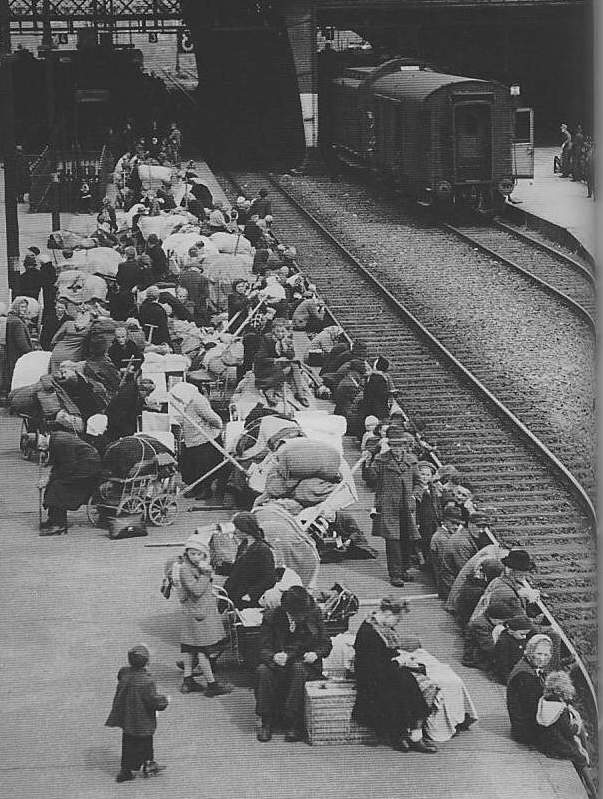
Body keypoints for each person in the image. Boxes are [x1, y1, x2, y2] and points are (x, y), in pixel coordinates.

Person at [354, 597, 437, 753]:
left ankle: (408, 734)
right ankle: (409, 734)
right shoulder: (368, 633)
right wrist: (400, 661)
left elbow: (385, 656)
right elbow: (374, 667)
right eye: (397, 619)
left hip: (382, 670)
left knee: (409, 680)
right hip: (371, 677)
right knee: (404, 684)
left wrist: (400, 660)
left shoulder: (378, 627)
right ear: (387, 613)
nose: (398, 623)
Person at [255, 586, 332, 742]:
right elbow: (262, 647)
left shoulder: (314, 614)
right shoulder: (272, 617)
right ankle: (267, 721)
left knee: (298, 670)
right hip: (280, 661)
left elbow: (326, 643)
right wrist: (273, 656)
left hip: (302, 661)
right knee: (263, 671)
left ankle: (293, 721)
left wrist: (316, 654)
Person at [170, 533, 231, 696]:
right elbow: (196, 590)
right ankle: (212, 684)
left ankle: (187, 680)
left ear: (205, 554)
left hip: (194, 612)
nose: (195, 557)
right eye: (192, 553)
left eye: (199, 554)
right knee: (203, 650)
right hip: (199, 614)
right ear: (187, 553)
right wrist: (206, 574)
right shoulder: (186, 569)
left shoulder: (194, 567)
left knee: (190, 648)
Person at [365, 427, 421, 587]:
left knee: (407, 539)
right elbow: (371, 478)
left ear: (404, 446)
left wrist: (415, 496)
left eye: (400, 446)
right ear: (390, 446)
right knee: (393, 541)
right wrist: (368, 463)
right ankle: (395, 574)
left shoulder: (411, 460)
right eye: (394, 446)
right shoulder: (381, 460)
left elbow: (419, 482)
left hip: (407, 506)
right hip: (388, 506)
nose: (397, 449)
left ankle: (404, 569)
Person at [105, 644, 168, 783]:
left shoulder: (124, 672)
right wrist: (164, 701)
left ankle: (125, 771)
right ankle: (148, 764)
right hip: (143, 719)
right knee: (146, 742)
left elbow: (121, 677)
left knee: (128, 743)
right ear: (147, 662)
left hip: (127, 717)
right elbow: (152, 700)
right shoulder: (147, 681)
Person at [169, 381, 226, 501]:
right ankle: (195, 487)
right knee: (190, 467)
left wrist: (217, 428)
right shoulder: (187, 401)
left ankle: (206, 490)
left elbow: (214, 418)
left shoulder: (198, 401)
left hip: (204, 439)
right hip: (192, 439)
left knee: (204, 467)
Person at [37, 430, 102, 535]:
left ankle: (59, 525)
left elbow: (68, 465)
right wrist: (49, 477)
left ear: (44, 436)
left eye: (40, 445)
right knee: (54, 483)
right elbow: (60, 463)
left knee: (58, 486)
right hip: (81, 464)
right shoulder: (54, 439)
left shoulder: (59, 442)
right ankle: (53, 519)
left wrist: (49, 479)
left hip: (88, 466)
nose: (41, 448)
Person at [536, 671, 591, 771]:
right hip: (557, 744)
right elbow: (568, 731)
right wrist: (576, 725)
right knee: (580, 757)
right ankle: (587, 779)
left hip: (546, 740)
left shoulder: (545, 700)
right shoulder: (561, 709)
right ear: (562, 690)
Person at [470, 548, 541, 625]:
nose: (526, 574)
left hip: (480, 621)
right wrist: (536, 620)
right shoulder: (509, 595)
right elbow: (520, 622)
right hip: (487, 628)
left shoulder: (498, 580)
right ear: (512, 571)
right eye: (523, 571)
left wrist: (520, 592)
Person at [223, 512, 277, 609]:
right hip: (238, 589)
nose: (234, 531)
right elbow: (238, 568)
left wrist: (251, 594)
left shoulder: (263, 550)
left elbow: (269, 579)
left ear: (244, 530)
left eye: (237, 528)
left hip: (247, 596)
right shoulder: (244, 544)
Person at [506, 634, 554, 743]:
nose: (542, 658)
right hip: (526, 731)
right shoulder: (525, 675)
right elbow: (533, 707)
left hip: (525, 723)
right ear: (531, 652)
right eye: (539, 654)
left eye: (546, 655)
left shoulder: (527, 666)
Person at [253, 317, 311, 407]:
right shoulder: (267, 338)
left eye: (282, 331)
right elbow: (260, 358)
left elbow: (291, 355)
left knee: (294, 364)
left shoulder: (287, 338)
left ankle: (300, 394)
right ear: (273, 331)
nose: (280, 334)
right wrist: (275, 360)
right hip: (266, 366)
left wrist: (286, 347)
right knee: (283, 368)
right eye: (277, 331)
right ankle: (269, 390)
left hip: (280, 364)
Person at [438, 511, 490, 599]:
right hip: (454, 586)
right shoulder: (461, 542)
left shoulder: (466, 535)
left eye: (484, 527)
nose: (481, 530)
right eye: (478, 526)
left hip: (457, 580)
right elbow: (465, 571)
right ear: (469, 524)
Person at [462, 599, 516, 671]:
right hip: (474, 656)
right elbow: (488, 646)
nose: (502, 624)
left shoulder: (487, 621)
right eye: (501, 622)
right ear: (493, 617)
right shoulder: (480, 625)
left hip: (479, 652)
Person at [493, 615, 535, 684]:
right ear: (512, 631)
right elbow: (502, 663)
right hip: (505, 672)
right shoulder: (504, 642)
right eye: (522, 634)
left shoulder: (518, 638)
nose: (524, 637)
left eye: (526, 634)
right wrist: (508, 679)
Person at [5, 297, 33, 384]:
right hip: (17, 355)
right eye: (22, 307)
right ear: (16, 307)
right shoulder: (17, 322)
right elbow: (22, 343)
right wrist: (31, 352)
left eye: (25, 307)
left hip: (10, 354)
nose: (24, 309)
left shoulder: (10, 319)